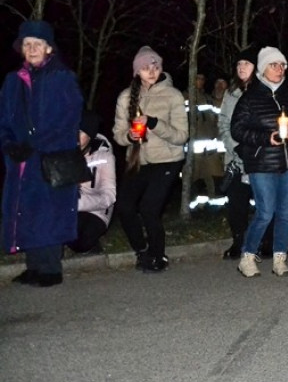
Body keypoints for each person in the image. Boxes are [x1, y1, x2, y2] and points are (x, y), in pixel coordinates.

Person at [1, 20, 83, 287]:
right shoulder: (13, 81)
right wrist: (9, 144)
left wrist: (34, 145)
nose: (32, 48)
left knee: (48, 213)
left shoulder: (62, 78)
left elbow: (68, 120)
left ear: (49, 48)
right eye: (27, 44)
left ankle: (50, 268)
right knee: (24, 212)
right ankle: (33, 266)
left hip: (50, 158)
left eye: (38, 44)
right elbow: (4, 119)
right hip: (20, 162)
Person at [231, 46, 288, 278]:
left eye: (282, 65)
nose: (279, 69)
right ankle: (247, 257)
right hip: (262, 163)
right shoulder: (250, 96)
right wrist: (265, 138)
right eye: (274, 65)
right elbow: (236, 129)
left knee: (286, 213)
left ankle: (280, 258)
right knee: (265, 212)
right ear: (262, 69)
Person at [112, 46, 188, 273]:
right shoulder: (126, 97)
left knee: (149, 208)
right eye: (145, 68)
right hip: (138, 161)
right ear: (137, 72)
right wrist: (129, 135)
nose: (151, 71)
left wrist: (154, 123)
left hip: (167, 160)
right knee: (124, 206)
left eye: (155, 66)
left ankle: (158, 255)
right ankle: (142, 250)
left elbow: (181, 136)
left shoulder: (173, 95)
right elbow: (118, 134)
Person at [218, 49, 260, 259]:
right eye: (239, 64)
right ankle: (239, 242)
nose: (241, 67)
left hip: (260, 158)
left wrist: (255, 147)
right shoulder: (231, 93)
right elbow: (223, 123)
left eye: (247, 63)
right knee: (236, 204)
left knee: (263, 203)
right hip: (235, 159)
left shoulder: (264, 91)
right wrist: (236, 146)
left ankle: (264, 241)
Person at [66, 110, 116, 254]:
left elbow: (109, 196)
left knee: (82, 242)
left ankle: (93, 242)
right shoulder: (63, 152)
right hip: (66, 207)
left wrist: (78, 203)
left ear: (91, 136)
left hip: (97, 210)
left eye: (81, 133)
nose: (75, 137)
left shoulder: (104, 156)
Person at [191, 72, 223, 198]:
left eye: (202, 78)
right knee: (194, 177)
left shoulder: (208, 98)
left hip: (210, 146)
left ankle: (214, 205)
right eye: (197, 78)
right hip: (192, 147)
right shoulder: (184, 97)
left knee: (213, 176)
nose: (200, 81)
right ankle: (193, 207)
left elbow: (216, 118)